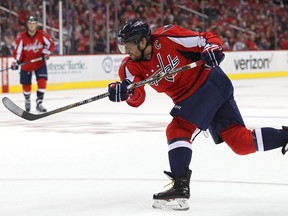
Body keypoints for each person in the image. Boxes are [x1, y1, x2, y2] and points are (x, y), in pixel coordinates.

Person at [107, 18, 288, 210]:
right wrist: (125, 93)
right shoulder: (129, 67)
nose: (125, 52)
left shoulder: (168, 37)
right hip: (196, 98)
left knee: (178, 128)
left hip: (211, 83)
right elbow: (137, 96)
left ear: (142, 41)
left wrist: (213, 49)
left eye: (127, 46)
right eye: (122, 48)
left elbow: (206, 39)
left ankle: (180, 187)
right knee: (241, 143)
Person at [11, 15, 55, 112]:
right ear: (27, 25)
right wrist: (16, 62)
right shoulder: (22, 37)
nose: (32, 26)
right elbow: (18, 51)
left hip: (40, 63)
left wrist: (45, 53)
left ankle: (39, 103)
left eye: (34, 24)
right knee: (26, 86)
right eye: (30, 24)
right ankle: (27, 99)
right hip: (26, 65)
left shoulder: (42, 34)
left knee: (42, 81)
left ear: (36, 25)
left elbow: (50, 44)